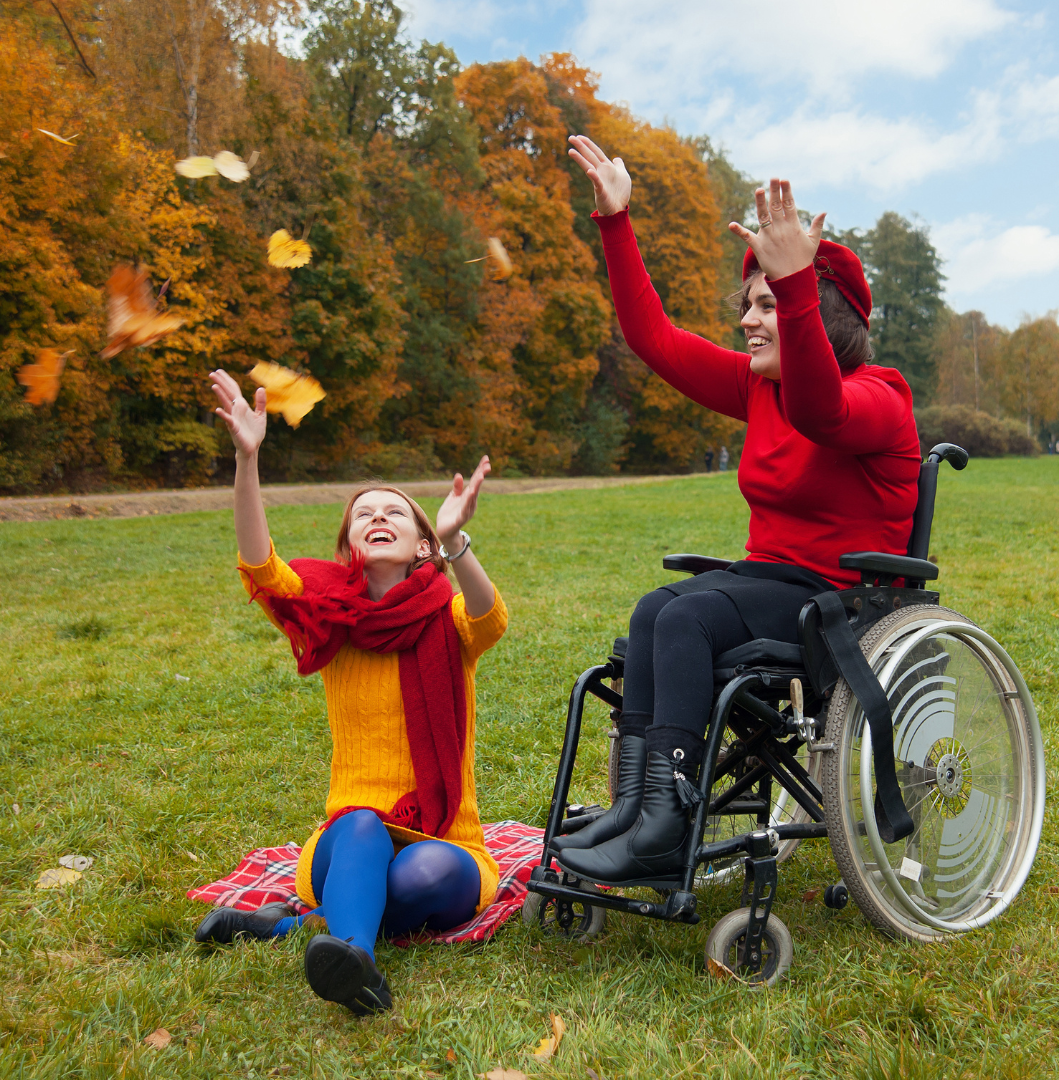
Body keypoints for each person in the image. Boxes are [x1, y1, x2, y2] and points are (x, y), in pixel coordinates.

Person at [552, 135, 920, 884]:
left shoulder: (882, 397)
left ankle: (667, 819)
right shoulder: (760, 387)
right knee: (657, 609)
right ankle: (638, 808)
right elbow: (653, 338)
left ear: (819, 312)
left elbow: (823, 412)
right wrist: (616, 222)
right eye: (748, 304)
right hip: (774, 585)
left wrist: (793, 283)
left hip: (845, 605)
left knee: (685, 616)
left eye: (767, 304)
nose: (748, 320)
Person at [194, 370, 507, 1015]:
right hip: (346, 841)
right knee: (362, 825)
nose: (378, 516)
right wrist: (247, 463)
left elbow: (490, 612)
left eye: (395, 511)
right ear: (350, 548)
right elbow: (262, 569)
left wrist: (457, 541)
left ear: (424, 545)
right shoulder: (328, 620)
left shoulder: (448, 622)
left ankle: (297, 927)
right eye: (363, 513)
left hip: (442, 839)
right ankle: (357, 961)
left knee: (428, 874)